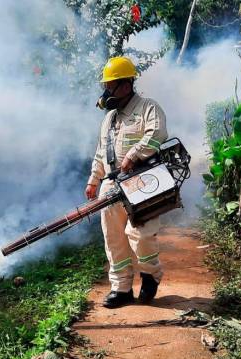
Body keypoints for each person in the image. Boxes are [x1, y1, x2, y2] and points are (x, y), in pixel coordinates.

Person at [85, 56, 168, 308]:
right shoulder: (109, 118)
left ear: (126, 84)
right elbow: (101, 151)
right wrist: (94, 180)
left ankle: (150, 275)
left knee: (139, 235)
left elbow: (158, 134)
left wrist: (134, 154)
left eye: (111, 86)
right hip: (112, 185)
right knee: (113, 238)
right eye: (106, 86)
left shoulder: (148, 108)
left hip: (144, 181)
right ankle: (120, 289)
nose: (107, 91)